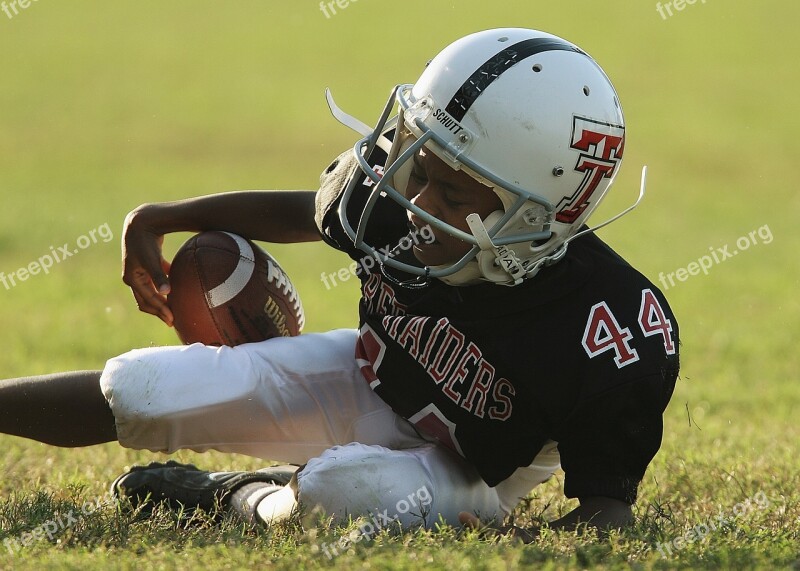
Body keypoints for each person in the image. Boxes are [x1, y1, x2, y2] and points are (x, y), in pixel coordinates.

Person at [0, 28, 679, 539]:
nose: (416, 197)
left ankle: (234, 494)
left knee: (339, 488)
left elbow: (606, 513)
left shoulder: (606, 323)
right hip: (373, 377)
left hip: (477, 468)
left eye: (450, 189)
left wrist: (512, 536)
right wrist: (165, 217)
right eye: (420, 162)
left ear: (536, 218)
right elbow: (306, 211)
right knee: (143, 389)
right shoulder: (410, 192)